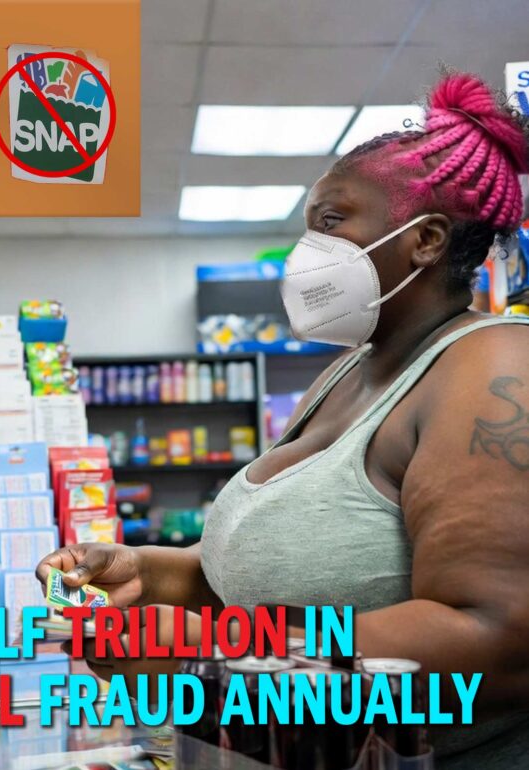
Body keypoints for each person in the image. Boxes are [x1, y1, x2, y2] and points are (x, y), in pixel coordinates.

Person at [37, 71, 529, 769]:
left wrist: (210, 657)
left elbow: (497, 641)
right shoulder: (347, 373)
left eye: (331, 223)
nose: (307, 254)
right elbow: (279, 575)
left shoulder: (492, 369)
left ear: (425, 241)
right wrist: (146, 573)